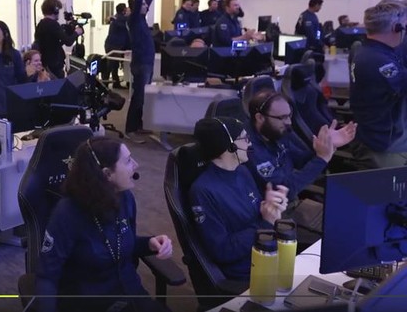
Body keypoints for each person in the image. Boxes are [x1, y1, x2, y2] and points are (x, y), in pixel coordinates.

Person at [36, 137, 173, 312]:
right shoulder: (67, 214)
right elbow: (47, 276)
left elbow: (121, 242)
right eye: (128, 161)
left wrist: (150, 243)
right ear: (108, 174)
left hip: (131, 294)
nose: (136, 165)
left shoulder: (125, 198)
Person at [189, 117, 288, 281]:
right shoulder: (203, 191)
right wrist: (265, 223)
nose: (250, 144)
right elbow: (222, 250)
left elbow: (255, 217)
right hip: (246, 272)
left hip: (267, 252)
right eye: (245, 139)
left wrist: (269, 205)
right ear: (230, 146)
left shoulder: (242, 172)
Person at [245, 91, 355, 200]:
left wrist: (328, 145)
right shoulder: (249, 149)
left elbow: (302, 161)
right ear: (260, 118)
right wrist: (322, 158)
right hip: (273, 212)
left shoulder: (276, 133)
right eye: (282, 117)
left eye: (289, 115)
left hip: (291, 202)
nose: (289, 122)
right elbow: (284, 190)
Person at [350, 0, 407, 167]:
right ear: (396, 28)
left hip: (382, 135)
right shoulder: (378, 61)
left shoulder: (375, 51)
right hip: (386, 144)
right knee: (394, 192)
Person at [124, 0, 157, 143]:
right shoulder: (134, 19)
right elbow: (140, 0)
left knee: (144, 97)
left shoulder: (142, 19)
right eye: (143, 4)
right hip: (141, 64)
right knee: (138, 97)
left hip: (147, 63)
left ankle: (139, 125)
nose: (146, 5)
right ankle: (130, 129)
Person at [34, 0, 83, 78]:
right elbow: (68, 42)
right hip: (54, 66)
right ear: (55, 10)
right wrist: (76, 33)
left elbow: (51, 43)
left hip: (46, 64)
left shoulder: (41, 24)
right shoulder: (53, 24)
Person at [103, 3, 130, 88]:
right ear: (123, 11)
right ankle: (107, 83)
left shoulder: (116, 17)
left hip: (111, 45)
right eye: (126, 9)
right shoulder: (122, 19)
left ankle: (114, 83)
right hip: (113, 46)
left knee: (113, 65)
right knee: (111, 65)